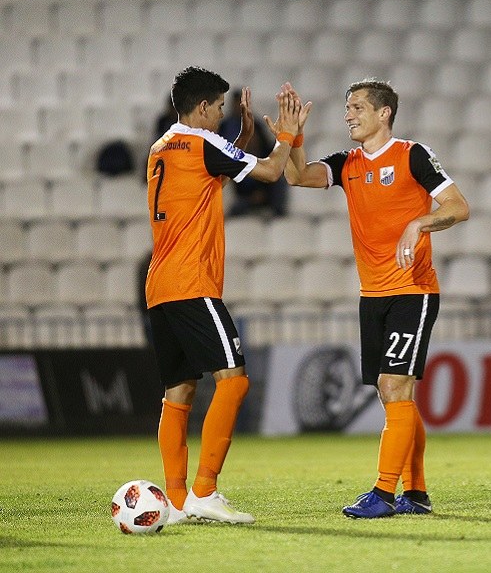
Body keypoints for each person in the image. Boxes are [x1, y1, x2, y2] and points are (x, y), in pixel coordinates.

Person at [284, 78, 469, 519]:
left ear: (384, 113)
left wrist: (418, 224)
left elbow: (458, 207)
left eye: (357, 107)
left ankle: (384, 494)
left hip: (413, 290)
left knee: (393, 386)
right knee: (395, 396)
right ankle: (416, 494)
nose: (348, 114)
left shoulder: (412, 155)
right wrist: (293, 137)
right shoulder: (346, 163)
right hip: (372, 295)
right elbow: (297, 175)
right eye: (347, 108)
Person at [147, 66, 301, 525]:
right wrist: (287, 133)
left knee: (179, 391)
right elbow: (271, 171)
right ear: (201, 107)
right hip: (193, 282)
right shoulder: (203, 143)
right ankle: (205, 490)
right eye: (217, 108)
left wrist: (243, 139)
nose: (221, 115)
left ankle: (176, 502)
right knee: (233, 380)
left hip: (160, 285)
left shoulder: (162, 147)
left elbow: (209, 177)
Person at [219, 89, 289, 218]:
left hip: (260, 182)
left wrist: (261, 190)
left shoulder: (255, 124)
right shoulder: (225, 126)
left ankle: (277, 214)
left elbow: (267, 152)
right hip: (236, 182)